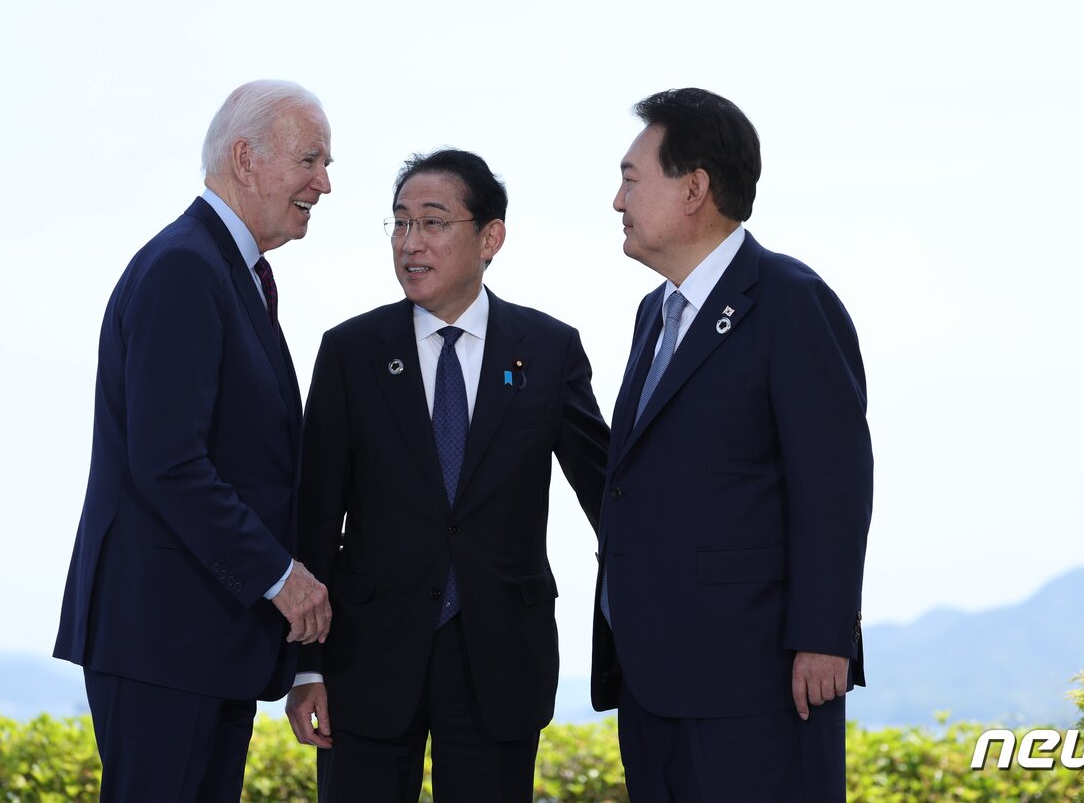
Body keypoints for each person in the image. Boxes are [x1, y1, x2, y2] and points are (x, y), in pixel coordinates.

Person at [287, 148, 609, 803]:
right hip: (367, 659)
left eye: (432, 223)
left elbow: (610, 492)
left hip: (501, 655)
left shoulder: (547, 351)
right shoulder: (351, 352)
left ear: (490, 236)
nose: (411, 243)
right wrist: (306, 665)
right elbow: (315, 517)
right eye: (400, 224)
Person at [53, 79, 334, 802]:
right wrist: (280, 575)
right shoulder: (185, 267)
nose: (323, 184)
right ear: (246, 158)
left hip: (205, 644)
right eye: (309, 159)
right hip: (164, 642)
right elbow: (169, 462)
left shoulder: (226, 270)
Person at [593, 88, 873, 801]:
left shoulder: (789, 299)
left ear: (694, 188)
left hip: (757, 683)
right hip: (654, 683)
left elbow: (833, 483)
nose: (616, 200)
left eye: (631, 178)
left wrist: (824, 636)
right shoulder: (653, 316)